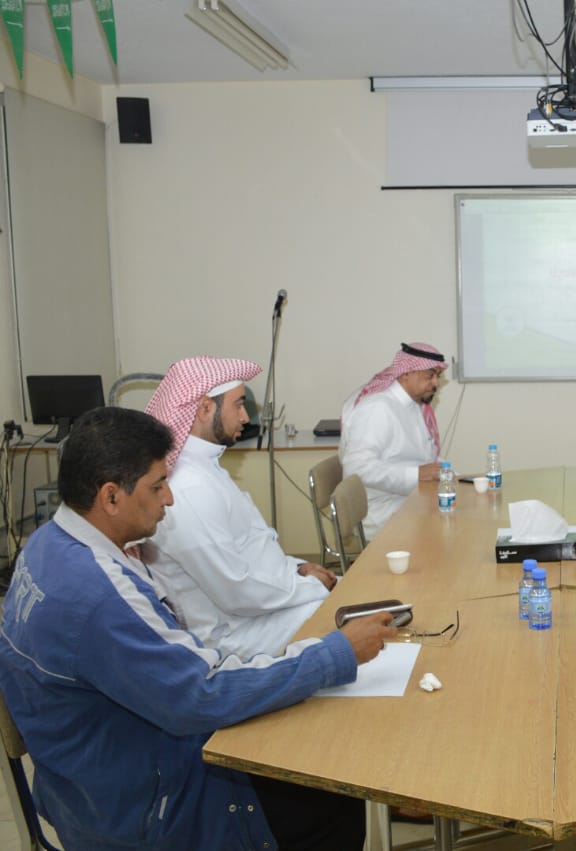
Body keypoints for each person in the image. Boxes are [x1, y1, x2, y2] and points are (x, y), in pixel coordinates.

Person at [0, 406, 396, 851]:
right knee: (333, 795)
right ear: (111, 497)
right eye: (157, 486)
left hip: (86, 785)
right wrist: (336, 653)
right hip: (143, 811)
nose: (169, 499)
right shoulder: (98, 596)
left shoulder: (44, 546)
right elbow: (203, 694)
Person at [144, 357, 336, 658]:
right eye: (238, 405)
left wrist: (296, 569)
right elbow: (235, 591)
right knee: (348, 614)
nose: (246, 417)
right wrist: (310, 586)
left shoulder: (205, 467)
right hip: (233, 634)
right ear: (205, 408)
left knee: (358, 599)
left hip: (257, 611)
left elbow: (251, 544)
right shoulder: (187, 487)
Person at [340, 342, 449, 539]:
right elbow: (356, 469)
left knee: (457, 508)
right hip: (379, 511)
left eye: (437, 377)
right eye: (429, 376)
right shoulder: (378, 409)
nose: (435, 383)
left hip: (408, 499)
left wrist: (454, 475)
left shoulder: (413, 406)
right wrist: (417, 474)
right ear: (405, 373)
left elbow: (422, 457)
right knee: (450, 522)